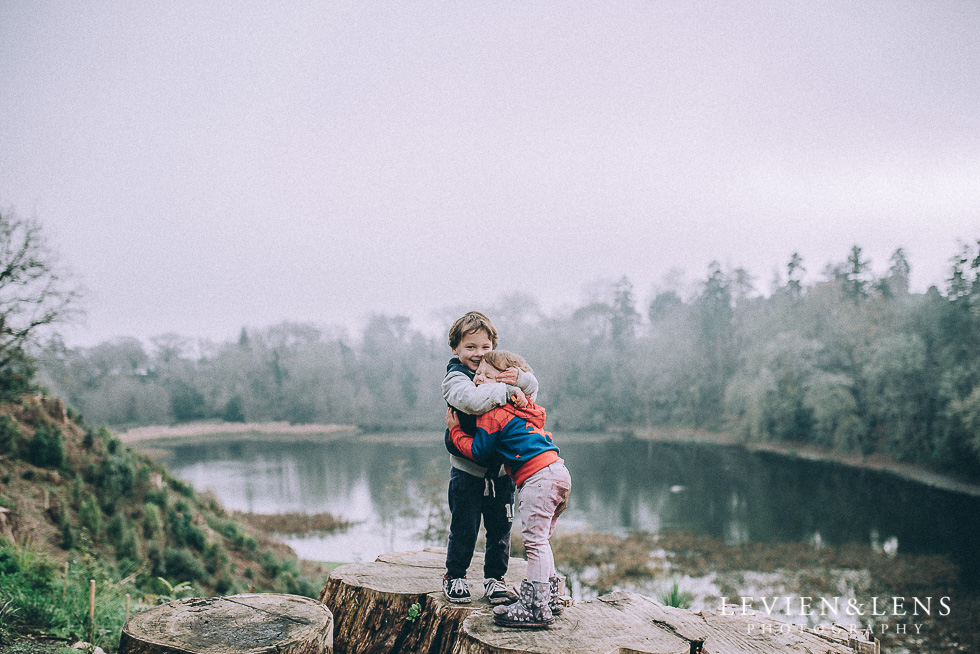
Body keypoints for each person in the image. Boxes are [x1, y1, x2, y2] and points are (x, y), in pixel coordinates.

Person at [446, 349, 572, 629]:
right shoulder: (523, 407)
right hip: (559, 472)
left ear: (504, 382)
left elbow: (480, 451)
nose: (479, 380)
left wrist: (456, 432)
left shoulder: (494, 412)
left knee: (535, 542)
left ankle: (535, 607)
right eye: (477, 375)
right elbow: (537, 413)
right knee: (542, 540)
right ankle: (550, 597)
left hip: (538, 478)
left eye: (487, 377)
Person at [441, 312, 539, 605]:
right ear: (456, 349)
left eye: (485, 347)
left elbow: (531, 394)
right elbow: (471, 401)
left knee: (501, 530)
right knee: (464, 527)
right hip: (467, 471)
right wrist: (509, 389)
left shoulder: (498, 368)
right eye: (470, 347)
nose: (478, 354)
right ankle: (455, 575)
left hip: (501, 473)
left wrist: (523, 379)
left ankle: (495, 579)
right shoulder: (455, 377)